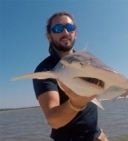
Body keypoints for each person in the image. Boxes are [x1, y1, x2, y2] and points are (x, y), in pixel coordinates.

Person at [33, 11, 109, 141]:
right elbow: (53, 120)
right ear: (49, 36)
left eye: (70, 28)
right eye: (58, 28)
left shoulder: (88, 60)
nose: (65, 33)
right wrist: (76, 103)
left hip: (98, 136)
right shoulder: (45, 70)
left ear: (75, 33)